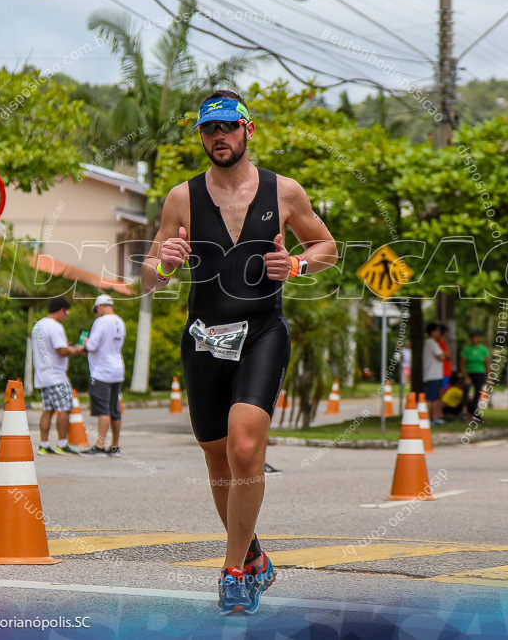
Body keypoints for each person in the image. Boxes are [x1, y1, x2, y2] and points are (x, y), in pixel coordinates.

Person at [141, 90, 337, 615]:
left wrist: (294, 266)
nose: (218, 137)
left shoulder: (285, 191)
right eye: (209, 130)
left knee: (245, 448)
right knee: (217, 458)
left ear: (248, 130)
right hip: (204, 335)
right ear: (201, 136)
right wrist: (166, 260)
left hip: (261, 332)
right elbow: (148, 278)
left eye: (228, 127)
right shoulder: (180, 199)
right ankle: (252, 556)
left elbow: (327, 248)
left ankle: (232, 574)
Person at [32, 297, 85, 456]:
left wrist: (65, 347)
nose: (66, 316)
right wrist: (76, 349)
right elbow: (61, 351)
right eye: (66, 313)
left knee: (48, 409)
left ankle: (44, 444)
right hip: (57, 375)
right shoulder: (55, 326)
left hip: (42, 374)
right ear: (62, 310)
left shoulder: (38, 325)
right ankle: (62, 443)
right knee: (64, 409)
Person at [82, 294, 126, 457]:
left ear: (99, 307)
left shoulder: (100, 322)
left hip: (101, 371)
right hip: (117, 369)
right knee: (115, 409)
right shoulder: (120, 321)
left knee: (103, 410)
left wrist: (85, 343)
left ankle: (100, 445)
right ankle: (115, 446)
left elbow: (92, 345)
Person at [460, 328, 490, 422]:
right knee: (466, 390)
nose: (474, 338)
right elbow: (462, 364)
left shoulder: (483, 350)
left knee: (478, 393)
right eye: (472, 336)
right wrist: (465, 376)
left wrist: (489, 377)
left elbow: (487, 364)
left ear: (479, 337)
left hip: (480, 373)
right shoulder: (467, 349)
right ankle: (464, 411)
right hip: (469, 373)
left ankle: (475, 413)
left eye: (476, 336)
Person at [422, 322, 449, 427]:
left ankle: (434, 418)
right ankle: (430, 418)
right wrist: (445, 354)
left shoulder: (433, 343)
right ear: (432, 332)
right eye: (437, 330)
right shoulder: (431, 342)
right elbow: (442, 356)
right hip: (432, 375)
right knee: (431, 399)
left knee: (435, 398)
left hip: (436, 375)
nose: (439, 332)